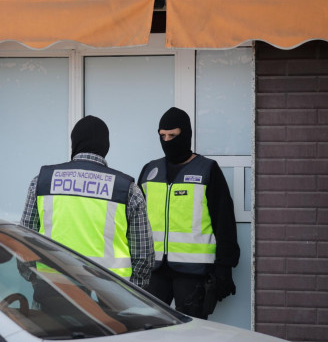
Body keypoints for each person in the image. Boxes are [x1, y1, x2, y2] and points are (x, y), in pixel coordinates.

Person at [21, 115, 154, 289]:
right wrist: (133, 292)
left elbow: (24, 238)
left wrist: (34, 277)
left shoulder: (42, 182)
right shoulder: (126, 189)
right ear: (105, 146)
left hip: (53, 289)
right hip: (111, 294)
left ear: (74, 144)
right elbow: (143, 254)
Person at [138, 107, 239, 319]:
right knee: (148, 329)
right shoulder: (149, 171)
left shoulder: (207, 170)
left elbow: (224, 221)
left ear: (186, 134)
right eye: (162, 136)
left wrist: (224, 267)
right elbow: (135, 221)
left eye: (173, 135)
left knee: (192, 334)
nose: (167, 140)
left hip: (193, 273)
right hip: (154, 270)